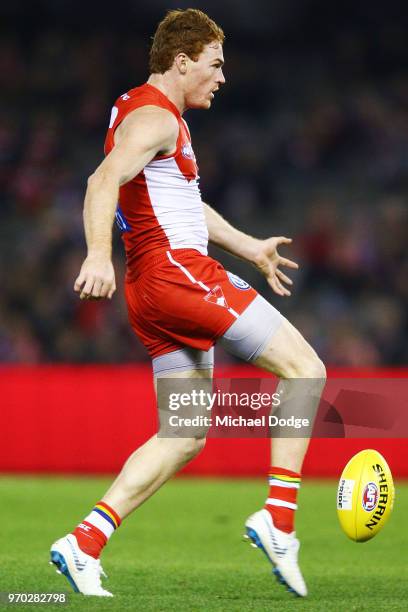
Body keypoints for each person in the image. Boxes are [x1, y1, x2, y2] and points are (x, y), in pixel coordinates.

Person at [50, 8, 326, 598]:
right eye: (215, 63)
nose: (222, 76)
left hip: (152, 290)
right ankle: (279, 519)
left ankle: (85, 542)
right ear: (182, 61)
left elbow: (178, 204)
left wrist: (249, 246)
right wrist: (97, 255)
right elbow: (101, 182)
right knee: (307, 368)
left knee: (185, 432)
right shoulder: (156, 117)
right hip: (176, 276)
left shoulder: (138, 112)